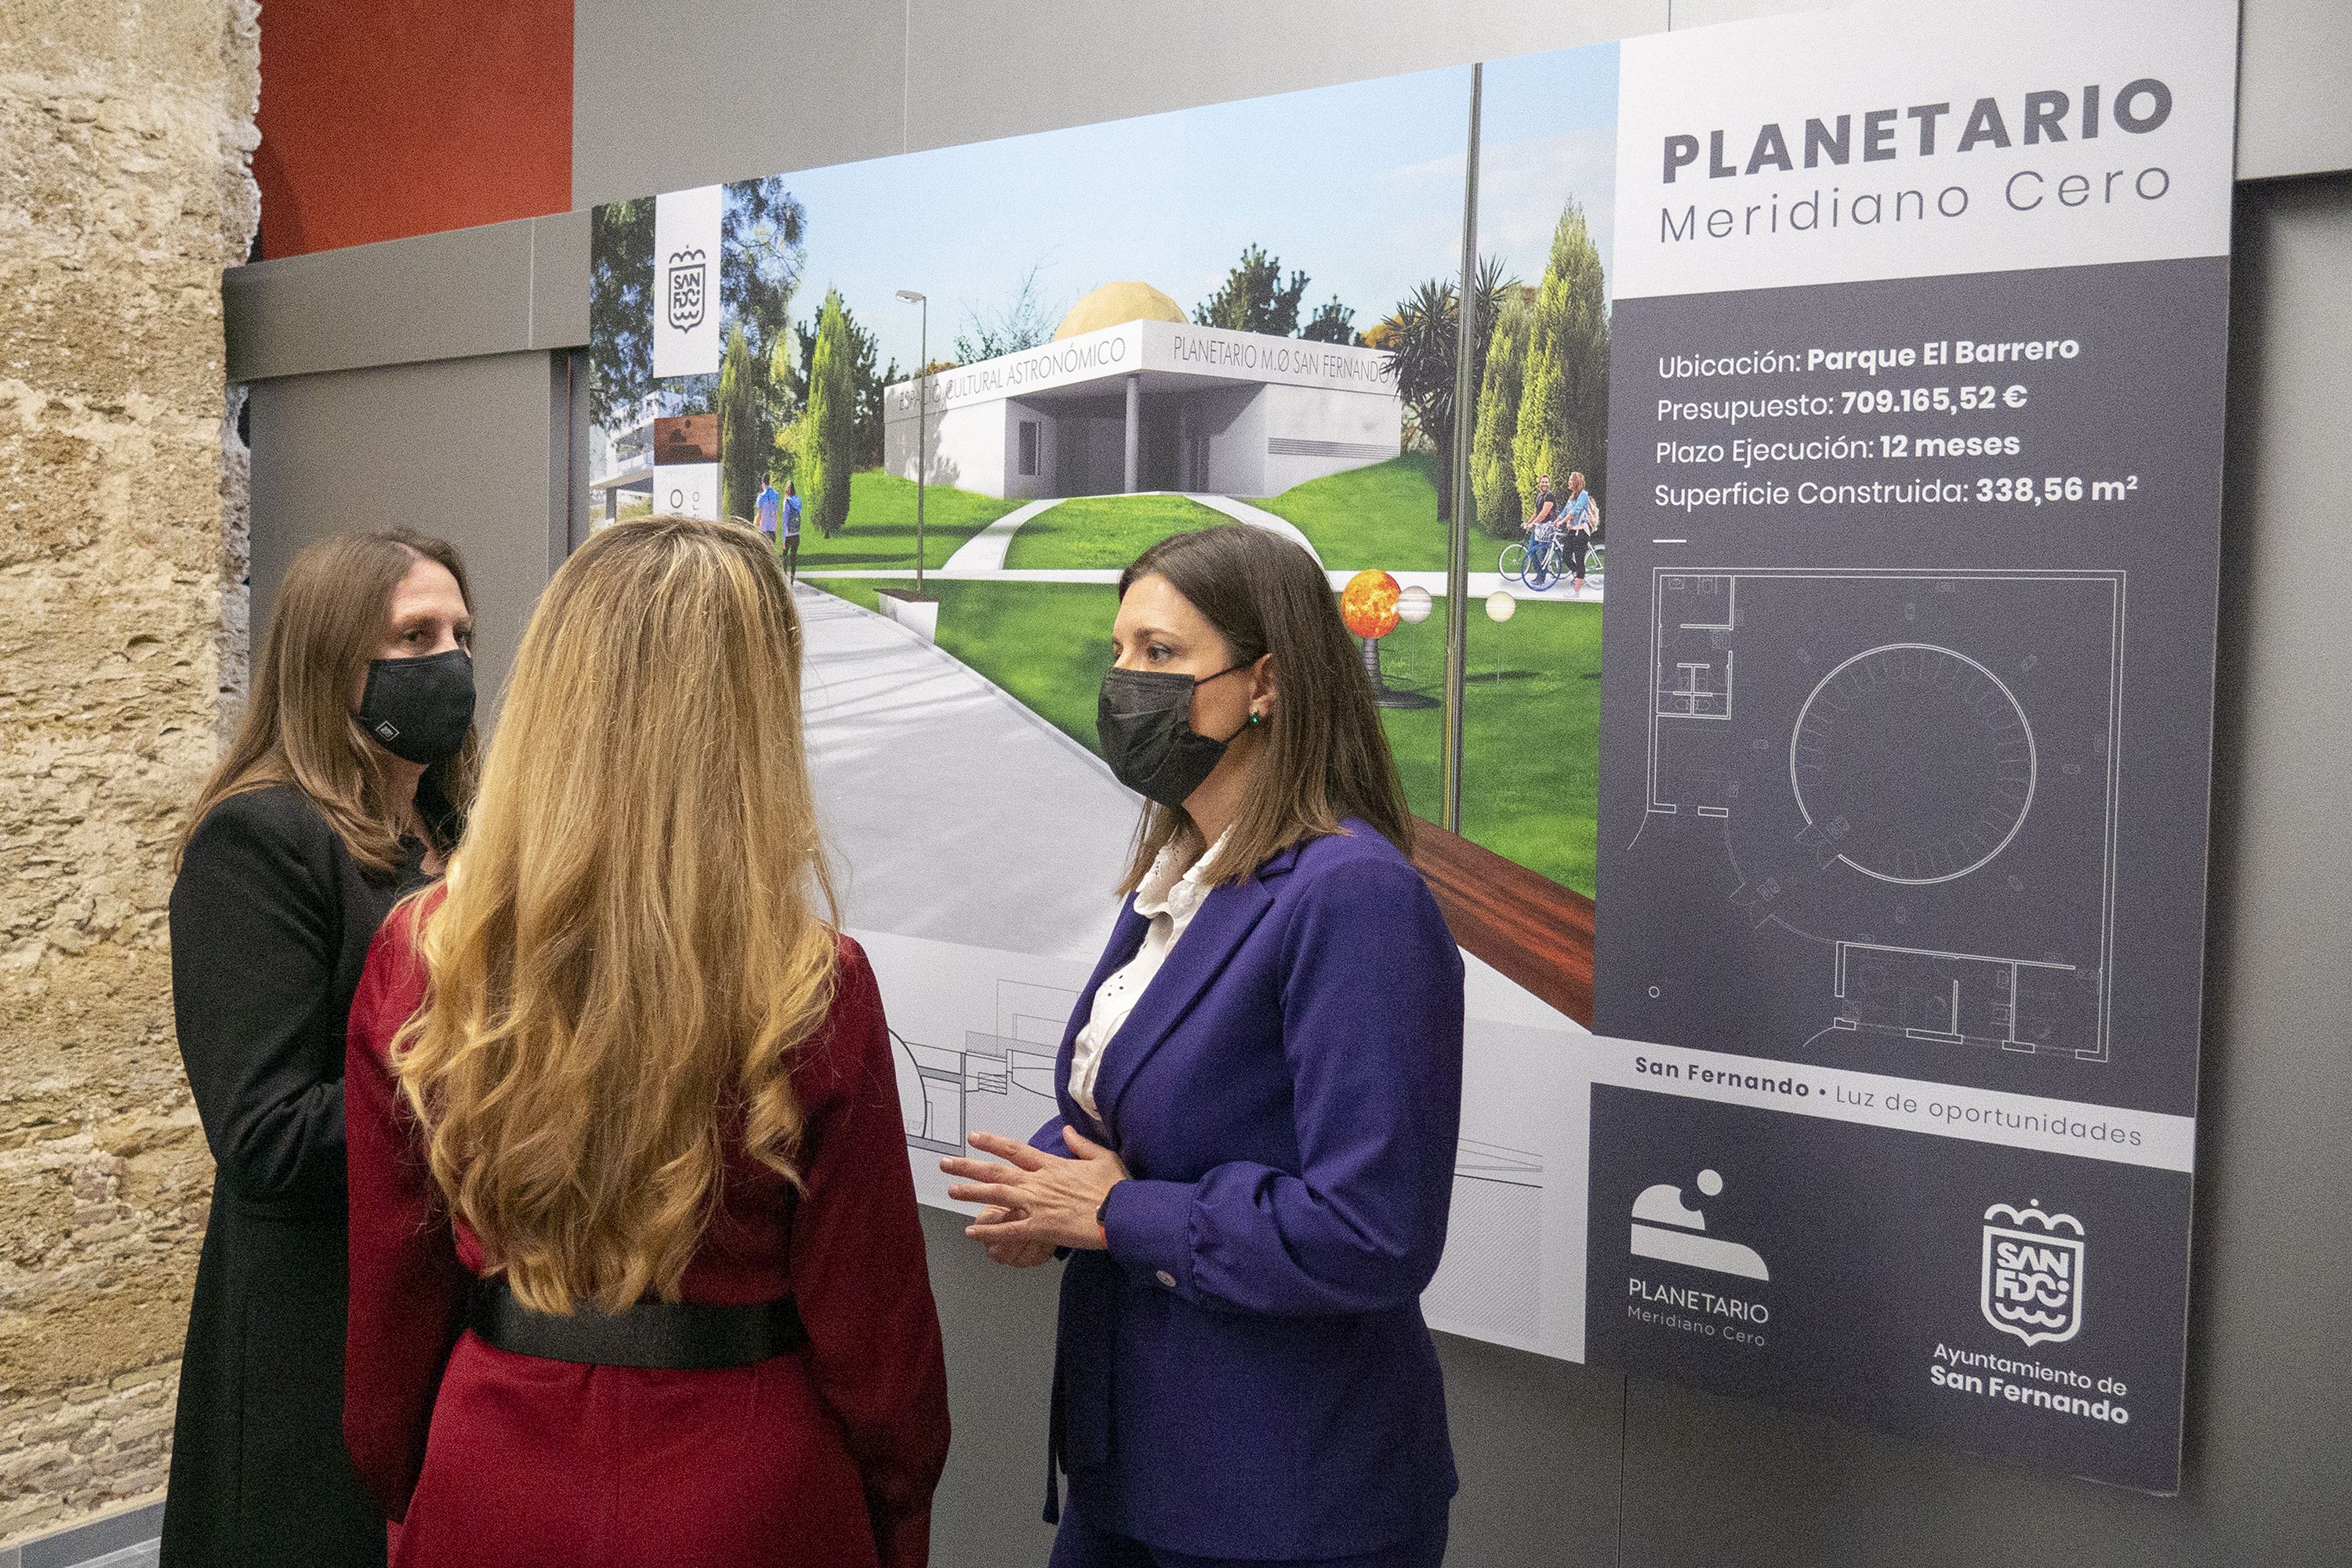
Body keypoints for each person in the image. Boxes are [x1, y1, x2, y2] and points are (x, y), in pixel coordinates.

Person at [342, 514, 949, 1567]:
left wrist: (413, 1483)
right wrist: (898, 1511)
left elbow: (395, 1292)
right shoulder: (809, 983)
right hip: (752, 1489)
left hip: (495, 1468)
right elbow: (877, 1343)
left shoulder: (427, 957)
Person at [942, 524, 1465, 1568]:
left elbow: (1373, 1230)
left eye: (1162, 653)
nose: (1126, 682)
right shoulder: (1184, 871)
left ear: (1264, 680)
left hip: (1284, 1500)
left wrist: (1116, 1211)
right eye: (1121, 651)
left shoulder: (1352, 897)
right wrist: (1048, 1190)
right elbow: (1139, 1107)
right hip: (1134, 1471)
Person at [162, 529, 478, 1567]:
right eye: (414, 636)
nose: (449, 662)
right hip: (314, 1337)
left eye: (461, 634)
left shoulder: (460, 835)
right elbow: (265, 1133)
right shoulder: (259, 841)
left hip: (450, 1322)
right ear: (330, 659)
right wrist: (485, 1090)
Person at [1562, 470, 1600, 594]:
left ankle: (1576, 591)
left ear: (1577, 482)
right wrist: (1558, 520)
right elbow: (1565, 511)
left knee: (1579, 560)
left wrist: (1563, 521)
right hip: (1572, 531)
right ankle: (1579, 576)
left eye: (1571, 480)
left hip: (1582, 532)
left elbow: (1576, 511)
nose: (1569, 482)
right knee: (1566, 556)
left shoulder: (1583, 495)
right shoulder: (1572, 497)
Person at [1523, 472, 1560, 582]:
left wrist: (1533, 524)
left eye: (1547, 482)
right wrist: (1528, 522)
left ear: (1549, 484)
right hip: (1539, 527)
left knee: (1542, 552)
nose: (1545, 484)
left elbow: (1544, 513)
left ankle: (1542, 578)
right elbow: (1536, 513)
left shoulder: (1550, 495)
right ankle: (1539, 574)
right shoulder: (1539, 496)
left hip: (1547, 527)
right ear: (1539, 483)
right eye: (1543, 482)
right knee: (1531, 550)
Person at [779, 479, 804, 583]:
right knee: (793, 558)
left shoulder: (787, 501)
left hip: (788, 533)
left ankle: (785, 579)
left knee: (784, 557)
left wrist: (784, 538)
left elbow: (785, 520)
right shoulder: (798, 500)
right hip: (796, 533)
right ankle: (792, 581)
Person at [753, 478, 782, 546]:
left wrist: (754, 525)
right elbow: (776, 515)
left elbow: (760, 514)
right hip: (772, 528)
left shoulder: (761, 497)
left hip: (764, 529)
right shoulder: (776, 495)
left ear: (763, 484)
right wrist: (776, 530)